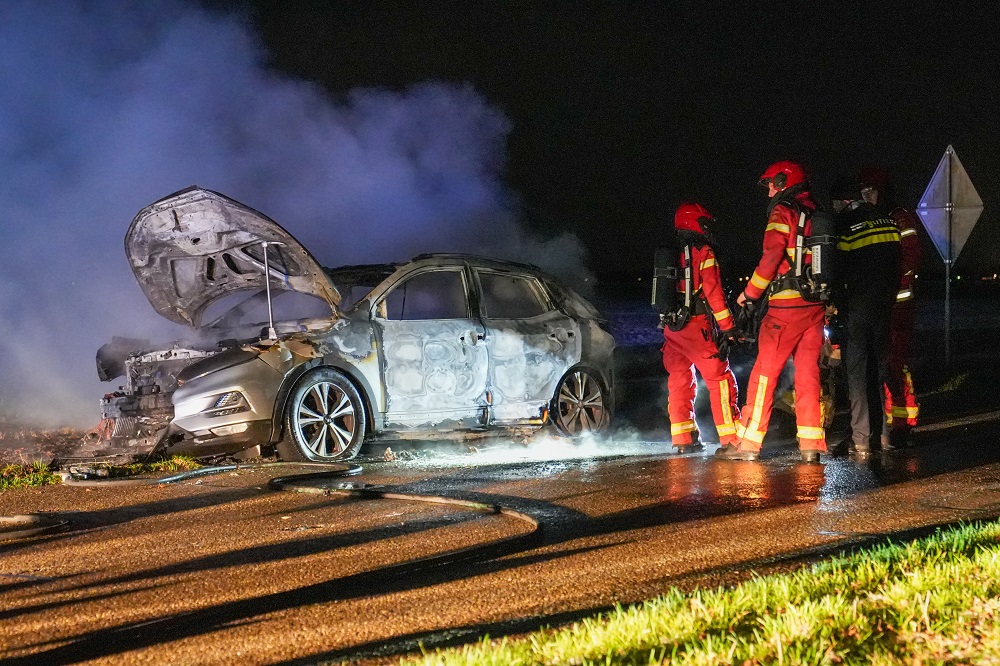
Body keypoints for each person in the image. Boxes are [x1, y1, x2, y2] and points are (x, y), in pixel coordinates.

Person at [718, 161, 828, 463]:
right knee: (808, 376)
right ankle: (811, 447)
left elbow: (771, 258)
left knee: (764, 374)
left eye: (770, 185)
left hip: (785, 308)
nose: (768, 192)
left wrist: (748, 294)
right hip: (814, 306)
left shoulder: (784, 211)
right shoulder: (818, 212)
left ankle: (748, 445)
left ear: (783, 181)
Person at [829, 174, 902, 456]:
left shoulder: (846, 225)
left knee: (857, 374)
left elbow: (838, 270)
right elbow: (898, 265)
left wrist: (833, 303)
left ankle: (860, 438)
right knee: (879, 370)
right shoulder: (888, 221)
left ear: (844, 201)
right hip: (885, 307)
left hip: (857, 308)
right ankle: (882, 434)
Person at [661, 203, 741, 453]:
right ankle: (731, 440)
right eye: (704, 223)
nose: (708, 229)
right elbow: (714, 293)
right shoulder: (703, 252)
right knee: (720, 380)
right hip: (697, 328)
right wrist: (728, 328)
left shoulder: (670, 253)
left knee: (679, 381)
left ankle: (683, 440)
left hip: (672, 330)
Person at [858, 166, 921, 448]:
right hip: (879, 304)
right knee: (880, 365)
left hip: (898, 305)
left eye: (871, 191)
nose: (867, 197)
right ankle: (888, 422)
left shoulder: (899, 217)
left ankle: (903, 423)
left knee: (894, 363)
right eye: (863, 192)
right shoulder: (873, 220)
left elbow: (911, 255)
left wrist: (889, 283)